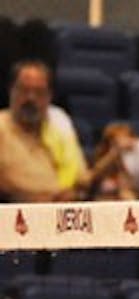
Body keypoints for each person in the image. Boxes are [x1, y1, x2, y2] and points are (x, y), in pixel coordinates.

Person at [0, 60, 87, 202]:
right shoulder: (1, 126)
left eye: (39, 92)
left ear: (49, 97)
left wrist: (72, 194)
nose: (31, 98)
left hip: (58, 211)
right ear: (11, 91)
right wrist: (30, 198)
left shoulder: (57, 130)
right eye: (23, 90)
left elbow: (81, 180)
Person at [85, 123, 138, 201]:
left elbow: (130, 186)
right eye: (115, 142)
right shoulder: (98, 158)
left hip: (123, 203)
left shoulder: (134, 161)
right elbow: (86, 179)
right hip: (100, 203)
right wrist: (113, 154)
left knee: (127, 195)